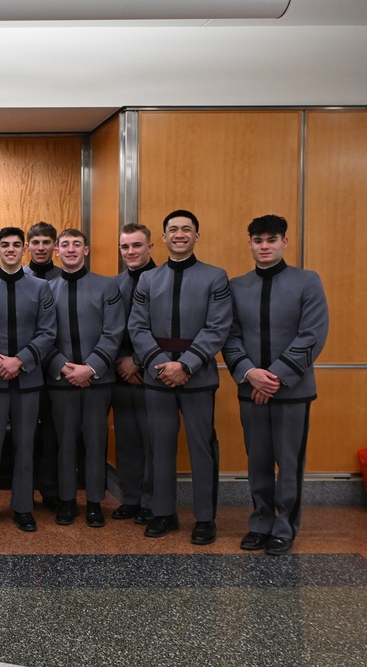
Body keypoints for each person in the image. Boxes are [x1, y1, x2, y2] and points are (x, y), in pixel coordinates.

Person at [223, 214, 328, 555]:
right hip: (248, 386)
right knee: (258, 460)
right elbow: (229, 335)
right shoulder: (237, 286)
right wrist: (250, 373)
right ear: (250, 244)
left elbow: (312, 335)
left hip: (292, 391)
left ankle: (284, 526)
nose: (264, 246)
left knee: (288, 461)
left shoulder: (307, 281)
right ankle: (260, 522)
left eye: (271, 240)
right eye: (258, 240)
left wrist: (275, 377)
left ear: (284, 242)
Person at [128, 209, 232, 545]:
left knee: (202, 448)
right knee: (160, 446)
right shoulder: (148, 279)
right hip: (158, 377)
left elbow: (218, 327)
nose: (180, 234)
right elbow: (137, 326)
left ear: (196, 236)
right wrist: (161, 364)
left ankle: (204, 519)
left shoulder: (215, 277)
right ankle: (163, 513)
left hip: (197, 376)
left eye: (187, 229)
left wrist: (185, 365)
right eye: (173, 229)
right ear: (164, 237)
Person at [0, 227, 57, 532]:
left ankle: (22, 507)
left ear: (24, 250)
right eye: (4, 245)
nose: (10, 250)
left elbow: (48, 333)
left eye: (16, 245)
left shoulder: (41, 287)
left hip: (28, 379)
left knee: (25, 446)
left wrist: (20, 360)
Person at [44, 229, 124, 527]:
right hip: (61, 380)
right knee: (64, 442)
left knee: (95, 441)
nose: (71, 249)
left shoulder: (107, 286)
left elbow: (113, 332)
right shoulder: (46, 289)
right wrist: (65, 368)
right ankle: (67, 501)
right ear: (57, 251)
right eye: (65, 245)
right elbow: (42, 336)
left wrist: (89, 368)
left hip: (97, 380)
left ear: (86, 250)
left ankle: (93, 502)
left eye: (77, 244)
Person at [111, 223, 157, 524]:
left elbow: (166, 329)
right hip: (119, 373)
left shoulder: (163, 280)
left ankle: (152, 502)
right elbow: (107, 329)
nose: (131, 252)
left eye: (137, 246)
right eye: (125, 247)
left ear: (150, 247)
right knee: (126, 439)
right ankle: (130, 498)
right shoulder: (114, 284)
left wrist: (138, 361)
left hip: (152, 373)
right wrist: (119, 362)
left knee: (154, 441)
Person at [26, 221, 63, 512]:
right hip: (22, 370)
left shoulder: (64, 278)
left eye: (46, 242)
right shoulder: (16, 276)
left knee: (52, 434)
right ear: (28, 246)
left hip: (55, 372)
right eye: (35, 242)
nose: (40, 248)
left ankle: (50, 490)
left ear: (55, 247)